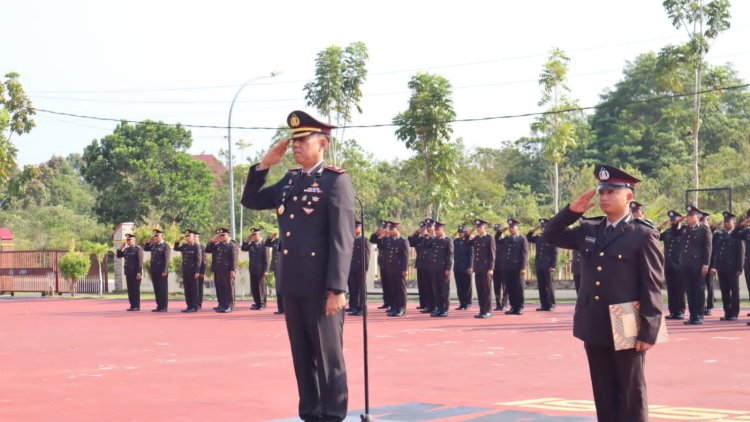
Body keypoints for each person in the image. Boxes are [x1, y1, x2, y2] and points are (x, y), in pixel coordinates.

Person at [241, 110, 355, 421]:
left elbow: (342, 239)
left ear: (323, 143)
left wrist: (337, 288)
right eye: (294, 142)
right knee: (302, 356)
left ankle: (332, 414)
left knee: (328, 356)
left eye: (303, 140)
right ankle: (310, 412)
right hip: (292, 283)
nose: (296, 146)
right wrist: (265, 165)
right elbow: (250, 200)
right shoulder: (291, 179)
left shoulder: (335, 181)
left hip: (321, 288)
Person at [543, 164, 664, 422]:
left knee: (631, 390)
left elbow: (653, 284)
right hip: (594, 318)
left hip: (627, 317)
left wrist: (650, 329)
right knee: (603, 390)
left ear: (629, 197)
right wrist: (571, 212)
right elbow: (550, 235)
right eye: (602, 192)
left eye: (611, 192)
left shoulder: (643, 234)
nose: (604, 198)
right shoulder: (589, 229)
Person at [679, 205, 712, 325]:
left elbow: (708, 248)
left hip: (698, 265)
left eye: (691, 215)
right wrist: (679, 220)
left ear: (698, 217)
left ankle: (699, 315)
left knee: (699, 290)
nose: (688, 218)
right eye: (688, 215)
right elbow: (673, 231)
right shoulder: (685, 229)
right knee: (690, 291)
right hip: (686, 264)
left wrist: (706, 264)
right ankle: (692, 315)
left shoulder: (704, 229)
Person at [709, 211, 744, 321]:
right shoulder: (720, 235)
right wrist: (714, 266)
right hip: (722, 267)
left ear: (733, 221)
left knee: (734, 291)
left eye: (728, 221)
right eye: (725, 222)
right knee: (724, 291)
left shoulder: (738, 235)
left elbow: (741, 252)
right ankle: (727, 312)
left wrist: (740, 267)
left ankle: (734, 312)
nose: (726, 224)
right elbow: (716, 251)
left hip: (733, 268)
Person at [465, 219, 496, 319]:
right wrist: (467, 235)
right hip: (478, 268)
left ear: (485, 227)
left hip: (486, 268)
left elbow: (492, 255)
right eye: (477, 227)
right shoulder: (477, 238)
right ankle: (482, 310)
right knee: (480, 290)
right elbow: (467, 243)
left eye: (480, 227)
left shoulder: (489, 238)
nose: (478, 229)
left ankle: (488, 310)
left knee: (486, 290)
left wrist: (491, 269)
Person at [658, 211, 686, 320]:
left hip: (679, 265)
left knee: (680, 289)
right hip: (669, 265)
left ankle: (680, 311)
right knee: (671, 289)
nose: (672, 222)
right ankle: (673, 311)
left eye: (674, 220)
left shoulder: (683, 231)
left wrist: (678, 223)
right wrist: (659, 228)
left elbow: (677, 231)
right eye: (671, 220)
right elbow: (655, 237)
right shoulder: (667, 232)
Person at [498, 218, 528, 315]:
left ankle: (519, 307)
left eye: (513, 227)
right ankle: (513, 306)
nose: (511, 229)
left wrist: (523, 267)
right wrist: (500, 232)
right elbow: (497, 241)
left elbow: (524, 254)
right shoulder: (507, 238)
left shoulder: (522, 239)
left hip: (518, 268)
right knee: (510, 287)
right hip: (508, 267)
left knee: (519, 287)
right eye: (510, 227)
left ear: (517, 227)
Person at [205, 228, 239, 313]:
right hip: (218, 270)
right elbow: (207, 249)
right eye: (220, 235)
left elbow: (234, 259)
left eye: (223, 235)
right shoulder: (218, 245)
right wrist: (213, 240)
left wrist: (233, 270)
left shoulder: (232, 245)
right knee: (220, 288)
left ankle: (229, 305)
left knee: (228, 288)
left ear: (228, 235)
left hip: (227, 271)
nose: (221, 237)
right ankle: (222, 304)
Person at [424, 221, 453, 317]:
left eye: (437, 229)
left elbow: (450, 256)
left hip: (443, 269)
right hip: (434, 268)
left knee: (444, 290)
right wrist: (430, 236)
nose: (436, 231)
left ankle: (445, 309)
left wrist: (448, 269)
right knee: (436, 290)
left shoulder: (448, 241)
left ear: (442, 229)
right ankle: (438, 308)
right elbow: (426, 245)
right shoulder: (435, 240)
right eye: (435, 229)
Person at [528, 218, 558, 311]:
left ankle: (551, 304)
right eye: (541, 227)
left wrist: (553, 265)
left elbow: (555, 253)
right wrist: (532, 230)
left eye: (544, 227)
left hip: (548, 266)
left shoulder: (552, 237)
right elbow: (528, 238)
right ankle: (544, 305)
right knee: (541, 285)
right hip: (539, 265)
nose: (543, 229)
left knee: (548, 286)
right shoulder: (539, 237)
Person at [381, 221, 410, 317]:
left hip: (399, 268)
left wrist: (405, 269)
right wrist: (381, 237)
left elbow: (405, 256)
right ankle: (394, 307)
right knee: (392, 288)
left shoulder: (403, 240)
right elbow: (381, 247)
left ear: (397, 230)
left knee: (400, 289)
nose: (390, 231)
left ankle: (401, 308)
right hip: (390, 268)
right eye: (389, 229)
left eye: (392, 229)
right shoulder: (388, 240)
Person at [174, 230, 203, 313]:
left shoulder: (197, 246)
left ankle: (194, 306)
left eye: (189, 236)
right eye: (186, 236)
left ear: (193, 237)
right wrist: (178, 240)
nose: (187, 238)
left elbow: (198, 260)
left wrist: (197, 271)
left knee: (194, 289)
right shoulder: (184, 246)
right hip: (185, 270)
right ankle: (189, 305)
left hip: (193, 271)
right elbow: (176, 248)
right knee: (187, 289)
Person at [241, 228, 270, 310]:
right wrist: (247, 240)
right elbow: (243, 248)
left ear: (259, 234)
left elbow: (267, 258)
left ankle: (262, 303)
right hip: (252, 269)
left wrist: (266, 270)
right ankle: (257, 303)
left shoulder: (264, 243)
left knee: (261, 287)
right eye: (252, 234)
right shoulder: (252, 244)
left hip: (261, 269)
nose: (253, 236)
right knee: (254, 287)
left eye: (255, 234)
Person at [143, 229, 171, 312]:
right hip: (154, 270)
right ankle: (159, 305)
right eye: (154, 235)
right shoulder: (154, 245)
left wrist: (164, 270)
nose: (155, 237)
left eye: (157, 235)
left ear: (161, 236)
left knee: (163, 288)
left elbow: (166, 260)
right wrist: (149, 241)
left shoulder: (165, 246)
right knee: (157, 288)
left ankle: (164, 306)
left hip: (161, 271)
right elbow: (146, 248)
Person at [409, 219, 433, 313]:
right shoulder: (419, 238)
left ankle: (429, 304)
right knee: (421, 286)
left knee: (428, 286)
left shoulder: (430, 238)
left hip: (428, 265)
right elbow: (410, 242)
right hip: (420, 264)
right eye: (421, 228)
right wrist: (415, 233)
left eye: (424, 228)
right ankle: (423, 304)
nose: (422, 230)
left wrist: (428, 235)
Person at [347, 221, 370, 316]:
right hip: (351, 267)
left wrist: (365, 269)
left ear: (361, 228)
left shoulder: (364, 240)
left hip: (360, 268)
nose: (354, 229)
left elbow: (367, 256)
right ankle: (354, 306)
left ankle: (361, 308)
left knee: (361, 288)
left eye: (356, 227)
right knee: (353, 288)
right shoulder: (350, 239)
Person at [116, 233, 143, 311]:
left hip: (135, 273)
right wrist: (121, 246)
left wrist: (139, 272)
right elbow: (118, 255)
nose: (127, 241)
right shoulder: (127, 249)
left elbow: (140, 262)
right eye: (127, 240)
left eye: (129, 240)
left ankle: (136, 306)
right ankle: (132, 305)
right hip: (128, 272)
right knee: (130, 290)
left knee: (135, 290)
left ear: (133, 240)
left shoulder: (138, 249)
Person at [370, 221, 392, 311]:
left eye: (385, 228)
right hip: (382, 264)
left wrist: (382, 237)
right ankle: (386, 302)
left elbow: (384, 246)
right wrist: (378, 234)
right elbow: (372, 240)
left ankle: (391, 303)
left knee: (391, 285)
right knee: (385, 284)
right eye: (382, 228)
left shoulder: (391, 238)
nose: (383, 230)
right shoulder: (380, 237)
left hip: (390, 265)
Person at [453, 225, 474, 310]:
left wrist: (470, 266)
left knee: (467, 286)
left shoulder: (469, 241)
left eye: (462, 232)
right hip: (458, 267)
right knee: (459, 286)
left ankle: (468, 303)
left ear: (466, 233)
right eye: (459, 232)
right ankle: (462, 303)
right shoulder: (456, 241)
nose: (460, 234)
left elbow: (471, 255)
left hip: (466, 267)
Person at [265, 232, 284, 314]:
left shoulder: (289, 240)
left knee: (286, 288)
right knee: (278, 288)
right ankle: (280, 308)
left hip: (286, 267)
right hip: (277, 267)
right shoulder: (276, 240)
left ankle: (287, 309)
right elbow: (267, 244)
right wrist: (271, 237)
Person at [492, 223, 509, 311]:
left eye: (499, 231)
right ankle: (498, 304)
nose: (497, 232)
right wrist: (499, 232)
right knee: (496, 286)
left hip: (505, 267)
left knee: (505, 287)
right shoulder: (495, 239)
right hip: (496, 267)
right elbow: (497, 238)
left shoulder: (506, 239)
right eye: (496, 231)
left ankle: (504, 303)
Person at [195, 234, 207, 309]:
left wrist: (202, 272)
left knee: (199, 287)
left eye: (195, 237)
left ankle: (199, 303)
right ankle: (194, 302)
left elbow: (204, 261)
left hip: (200, 272)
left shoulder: (201, 247)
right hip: (193, 271)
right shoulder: (192, 246)